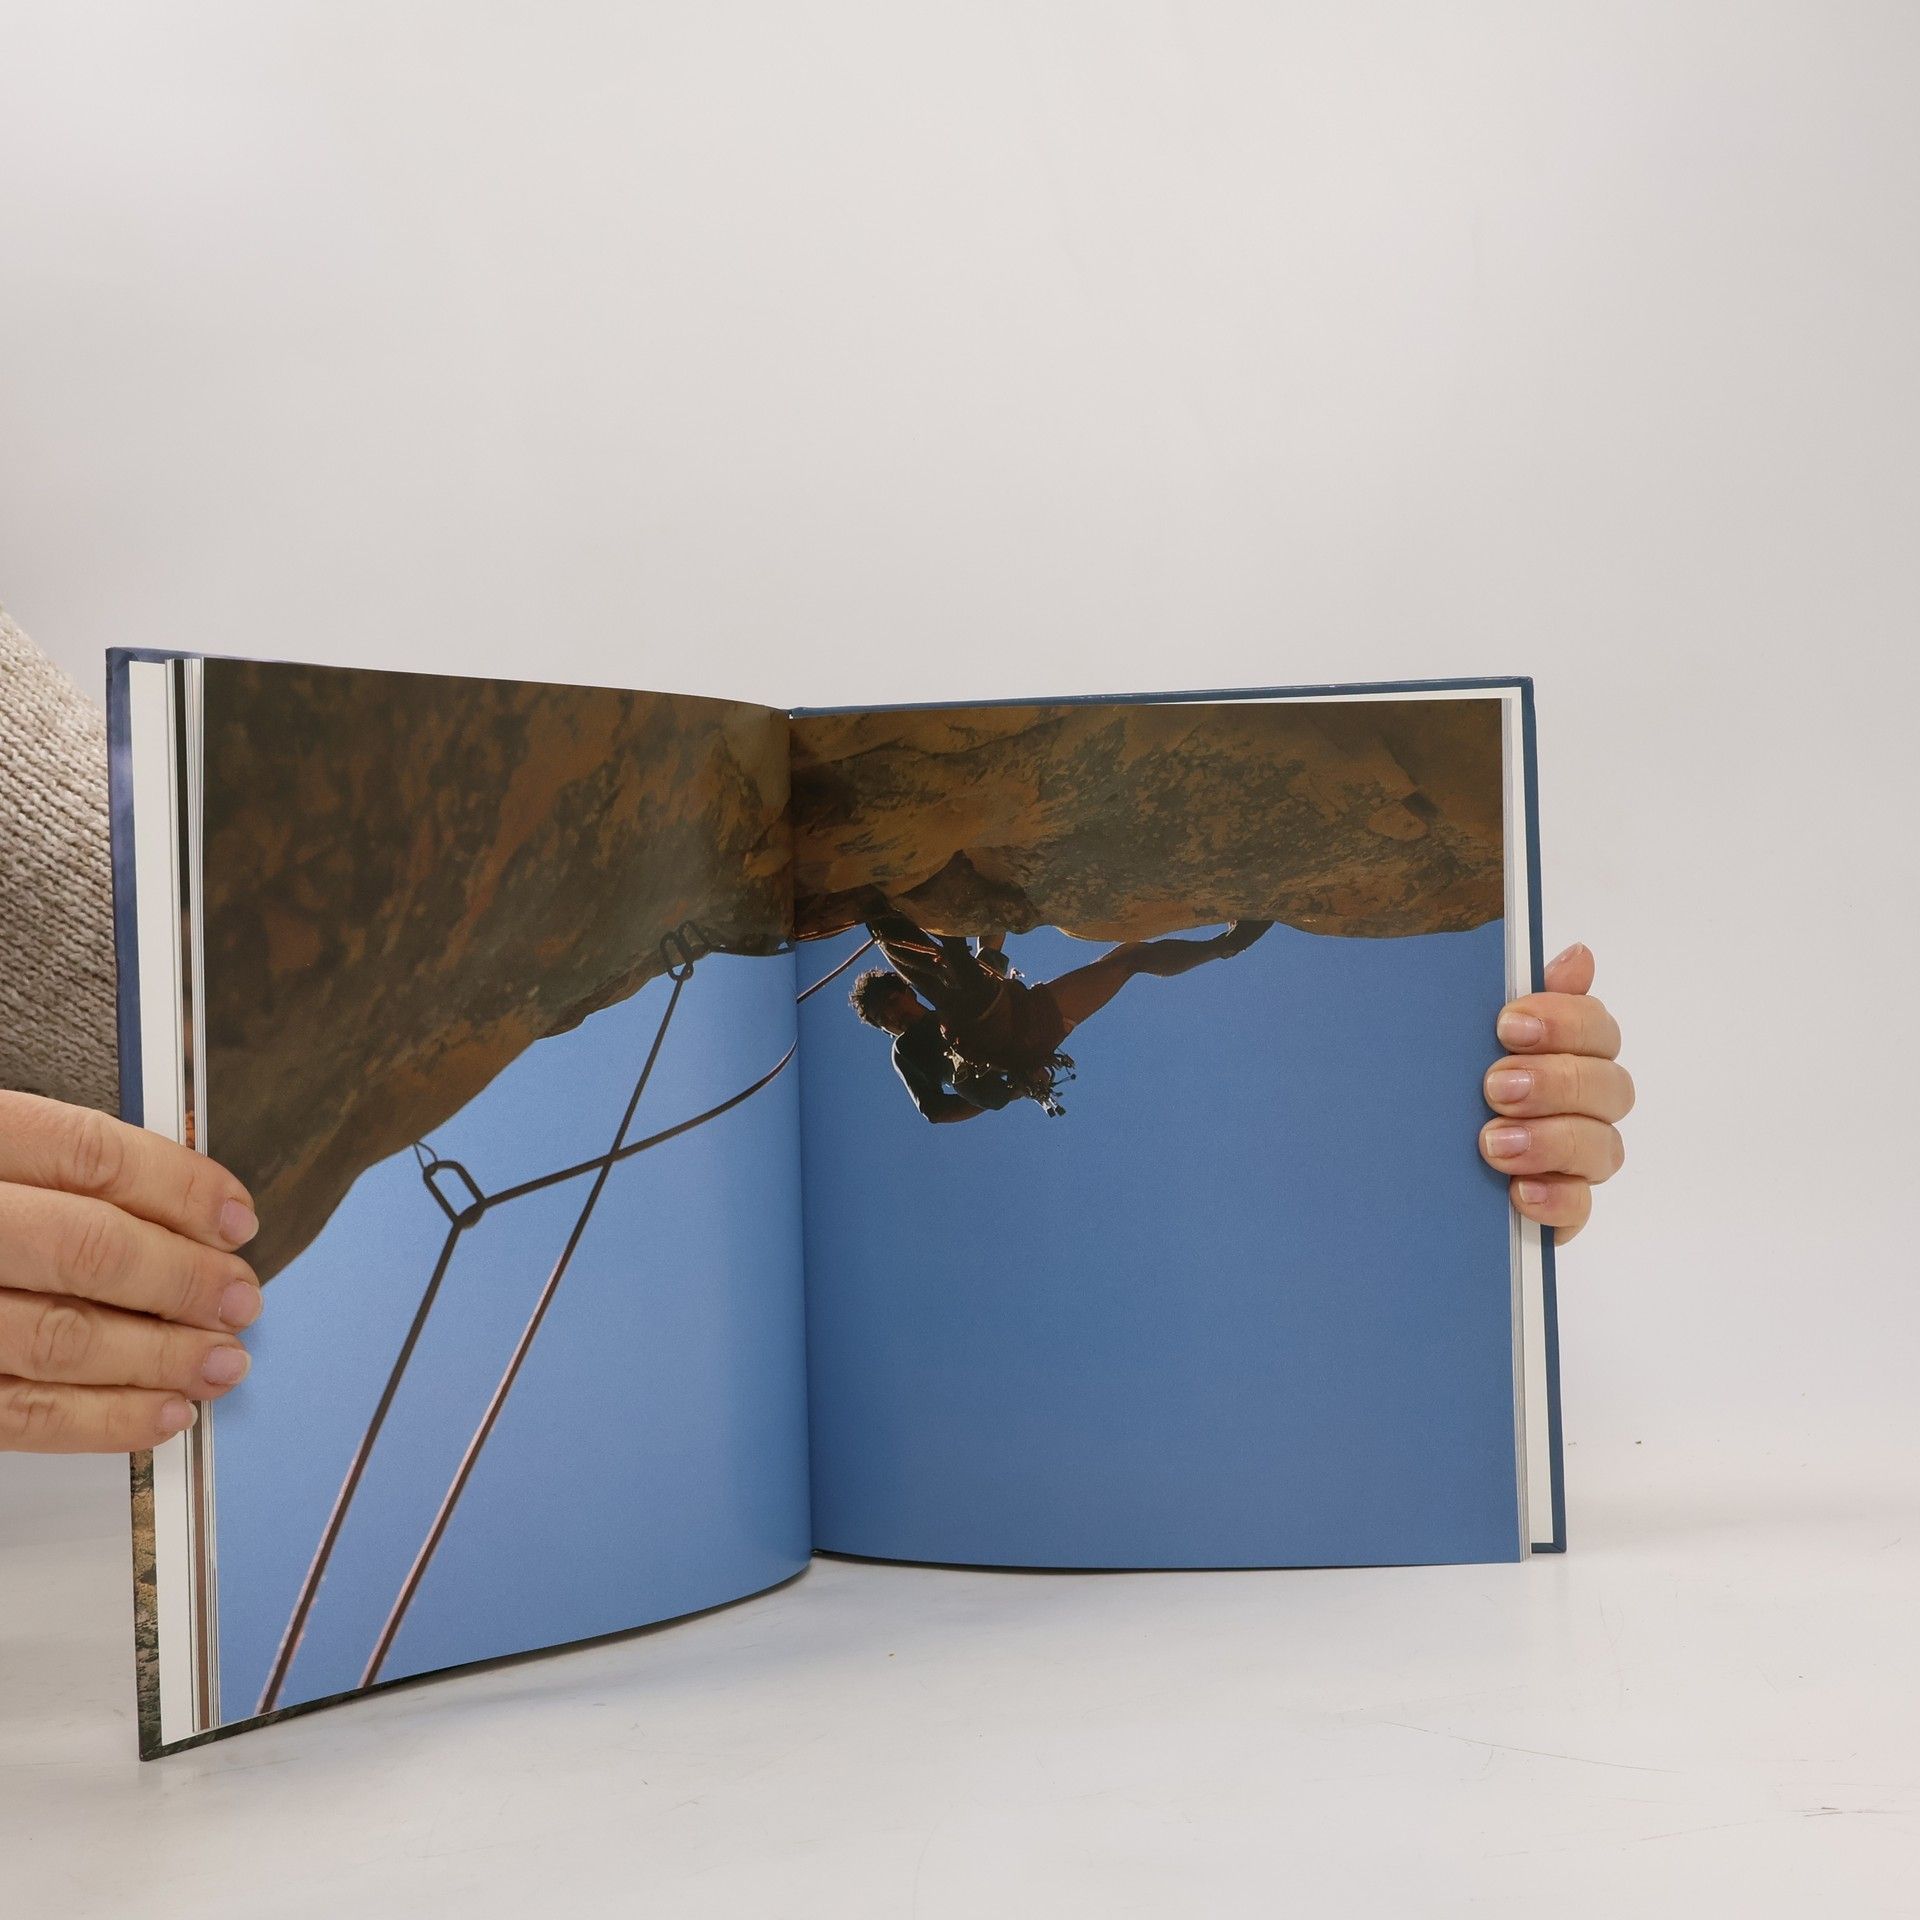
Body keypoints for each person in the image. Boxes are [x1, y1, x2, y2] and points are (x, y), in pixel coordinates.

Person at [0, 612, 1633, 1453]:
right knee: (1111, 966)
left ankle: (1218, 923)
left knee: (1113, 962)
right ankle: (1211, 922)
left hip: (993, 1014)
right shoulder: (938, 1018)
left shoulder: (936, 1013)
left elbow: (980, 996)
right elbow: (988, 1009)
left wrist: (1494, 1093)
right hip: (995, 1019)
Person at [849, 905, 1274, 1120]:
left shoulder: (953, 999)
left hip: (1029, 1022)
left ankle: (1226, 946)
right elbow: (934, 1111)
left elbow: (988, 954)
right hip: (1008, 1042)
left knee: (1129, 958)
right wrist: (1010, 1091)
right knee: (954, 974)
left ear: (904, 993)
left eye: (891, 1004)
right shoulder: (906, 1049)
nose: (894, 1019)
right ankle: (886, 915)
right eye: (884, 1020)